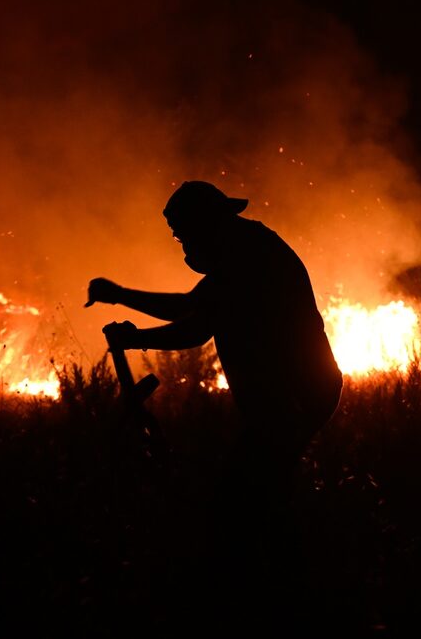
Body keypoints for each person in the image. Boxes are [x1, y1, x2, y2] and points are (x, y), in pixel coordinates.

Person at [85, 180, 342, 599]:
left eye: (183, 233)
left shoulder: (248, 257)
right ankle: (287, 588)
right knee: (264, 495)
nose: (183, 244)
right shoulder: (240, 248)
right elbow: (194, 308)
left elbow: (195, 326)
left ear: (204, 223)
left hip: (294, 395)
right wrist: (122, 300)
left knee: (241, 501)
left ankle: (260, 595)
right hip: (289, 395)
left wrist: (132, 326)